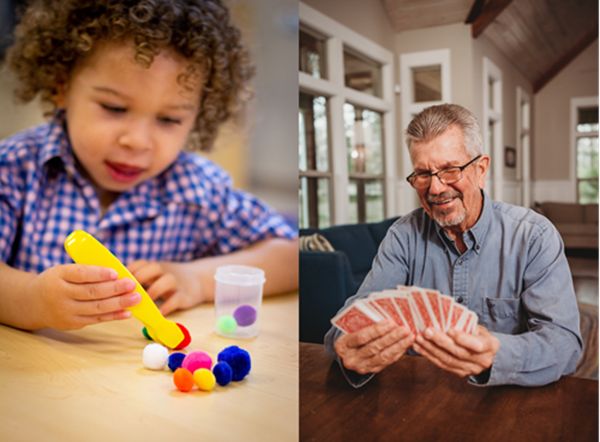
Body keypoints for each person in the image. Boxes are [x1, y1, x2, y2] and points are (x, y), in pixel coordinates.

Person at [0, 0, 298, 331]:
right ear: (62, 86)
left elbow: (292, 256)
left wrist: (195, 280)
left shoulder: (198, 188)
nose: (138, 141)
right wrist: (30, 298)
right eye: (114, 107)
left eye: (169, 119)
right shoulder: (14, 169)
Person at [325, 103, 582, 388]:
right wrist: (347, 346)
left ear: (481, 169)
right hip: (419, 402)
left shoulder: (534, 237)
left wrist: (498, 354)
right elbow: (351, 321)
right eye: (423, 173)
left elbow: (565, 344)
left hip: (505, 404)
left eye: (450, 170)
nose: (435, 188)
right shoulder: (402, 236)